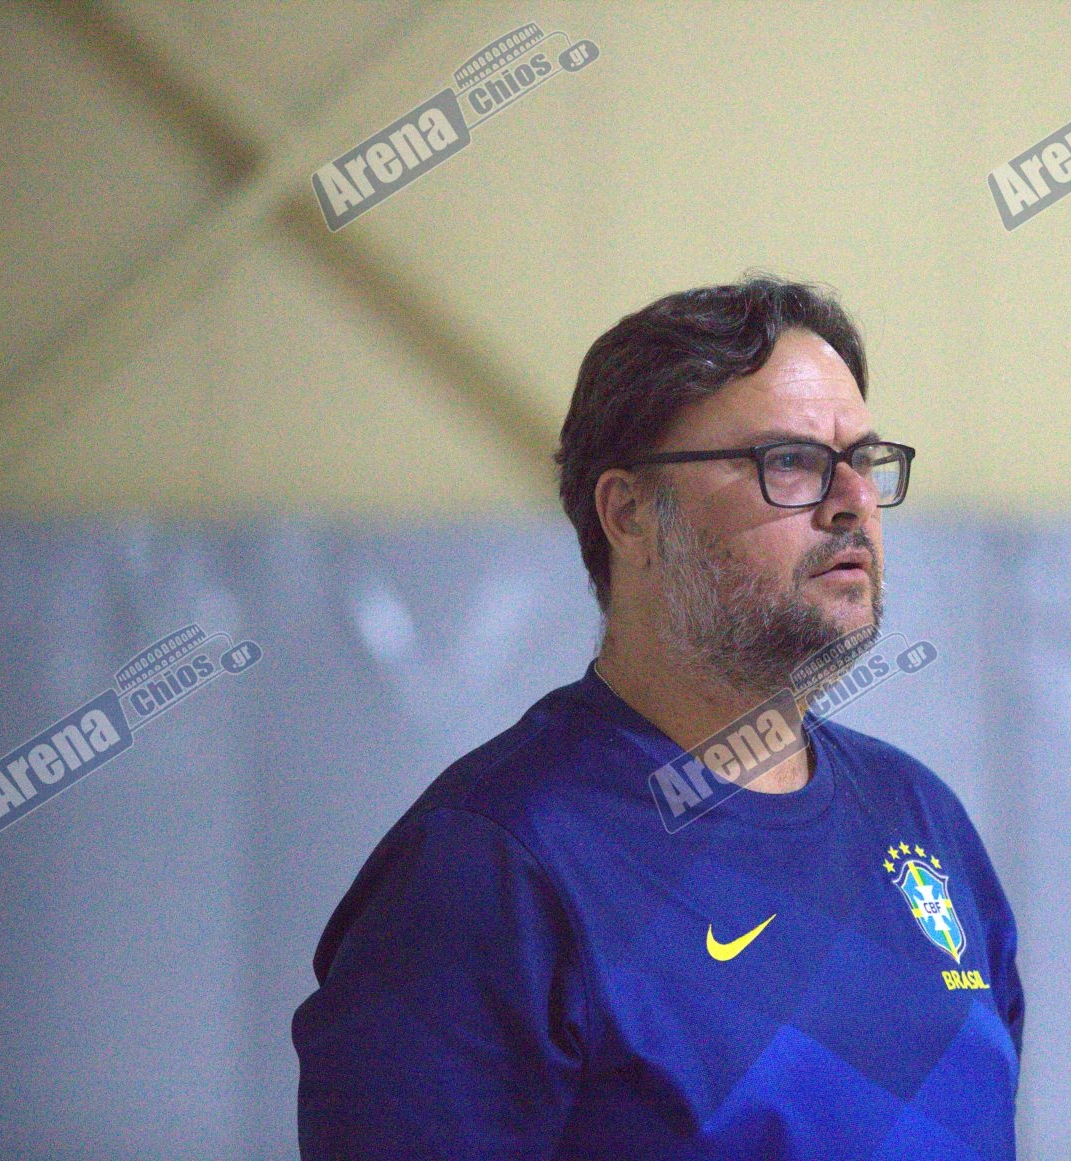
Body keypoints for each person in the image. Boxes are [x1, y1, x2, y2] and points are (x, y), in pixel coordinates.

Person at [292, 274, 1025, 1159]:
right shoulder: (492, 867)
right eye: (790, 460)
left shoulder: (920, 819)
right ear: (629, 512)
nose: (853, 500)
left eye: (863, 460)